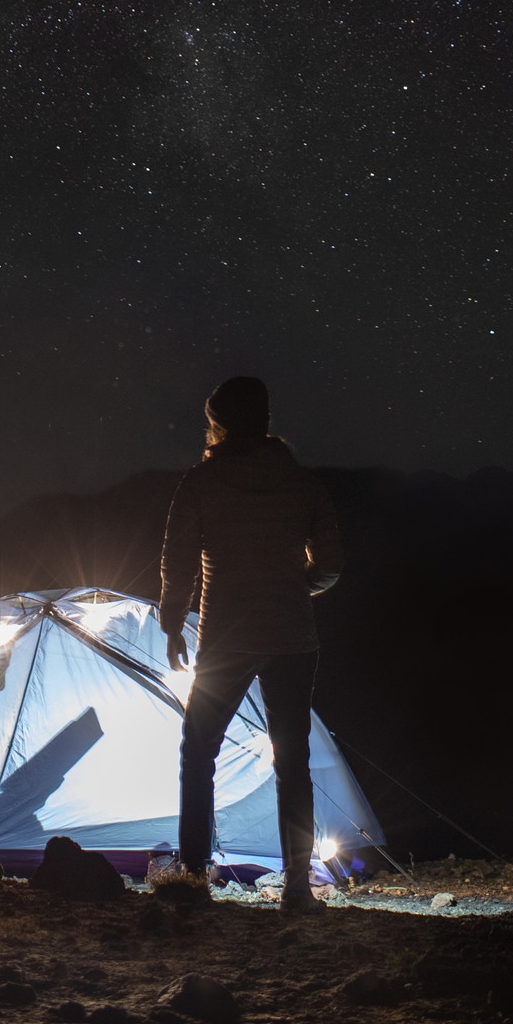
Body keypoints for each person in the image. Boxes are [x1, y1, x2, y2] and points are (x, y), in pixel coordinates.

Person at [157, 374, 344, 912]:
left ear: (219, 424)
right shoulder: (303, 484)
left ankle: (192, 878)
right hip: (292, 636)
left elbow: (178, 561)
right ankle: (297, 889)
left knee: (199, 753)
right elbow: (330, 566)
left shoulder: (201, 482)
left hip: (227, 636)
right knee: (293, 760)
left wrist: (172, 624)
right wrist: (289, 585)